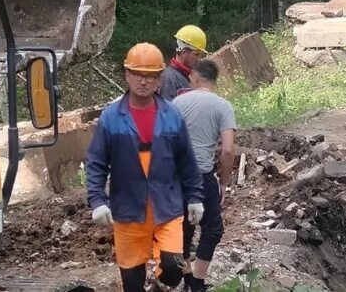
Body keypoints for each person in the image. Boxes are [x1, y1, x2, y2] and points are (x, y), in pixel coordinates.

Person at [85, 43, 205, 292]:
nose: (143, 81)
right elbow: (96, 162)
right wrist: (97, 200)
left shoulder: (171, 115)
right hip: (128, 209)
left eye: (150, 76)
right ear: (127, 75)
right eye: (138, 74)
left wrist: (195, 197)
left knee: (174, 266)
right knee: (131, 281)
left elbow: (186, 160)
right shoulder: (111, 117)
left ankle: (161, 285)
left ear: (159, 79)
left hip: (167, 207)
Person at [172, 59, 236, 292]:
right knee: (213, 229)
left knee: (183, 231)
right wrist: (224, 183)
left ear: (197, 77)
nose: (189, 80)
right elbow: (228, 150)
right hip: (201, 176)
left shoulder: (177, 103)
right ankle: (197, 284)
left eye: (190, 77)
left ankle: (187, 279)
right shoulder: (222, 106)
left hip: (176, 176)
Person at [158, 24, 208, 101]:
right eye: (196, 54)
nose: (199, 59)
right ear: (184, 52)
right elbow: (166, 111)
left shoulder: (189, 76)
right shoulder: (169, 79)